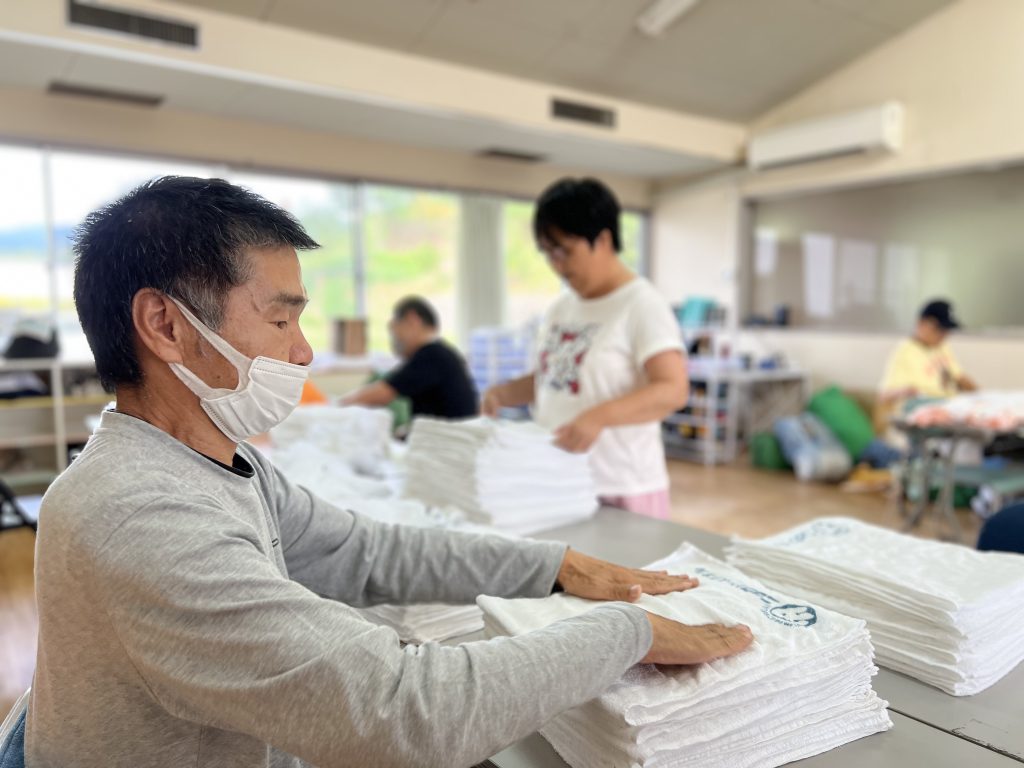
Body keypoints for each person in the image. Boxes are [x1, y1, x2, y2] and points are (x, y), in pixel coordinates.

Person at [26, 176, 752, 768]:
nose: (304, 352)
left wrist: (557, 567)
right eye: (280, 321)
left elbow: (365, 551)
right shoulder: (141, 517)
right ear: (165, 325)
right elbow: (406, 713)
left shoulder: (218, 463)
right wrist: (629, 632)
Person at [482, 178, 688, 520]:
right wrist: (502, 394)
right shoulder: (560, 308)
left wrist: (598, 417)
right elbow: (555, 379)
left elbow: (673, 389)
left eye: (564, 250)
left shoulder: (641, 304)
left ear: (603, 240)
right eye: (547, 253)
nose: (556, 265)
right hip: (558, 479)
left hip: (619, 486)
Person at [342, 296, 478, 420]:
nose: (395, 340)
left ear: (412, 320)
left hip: (445, 436)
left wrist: (337, 406)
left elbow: (382, 393)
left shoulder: (432, 355)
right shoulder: (441, 352)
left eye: (394, 329)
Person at [878, 299, 977, 418]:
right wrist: (908, 391)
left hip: (948, 407)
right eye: (939, 329)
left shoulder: (941, 347)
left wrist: (978, 395)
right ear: (921, 324)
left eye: (947, 331)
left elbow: (960, 377)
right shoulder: (905, 351)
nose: (943, 335)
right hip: (919, 411)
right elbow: (884, 396)